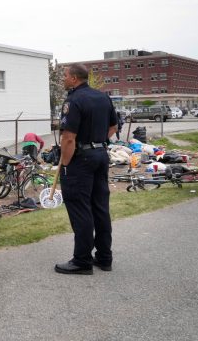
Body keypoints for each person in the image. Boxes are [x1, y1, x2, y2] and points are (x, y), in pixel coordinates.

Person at [55, 63, 117, 275]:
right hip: (100, 155)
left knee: (80, 208)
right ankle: (104, 257)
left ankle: (82, 261)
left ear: (73, 78)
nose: (63, 79)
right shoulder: (103, 97)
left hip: (81, 159)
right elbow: (113, 127)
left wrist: (65, 163)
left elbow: (69, 138)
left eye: (65, 76)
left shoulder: (73, 100)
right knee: (100, 207)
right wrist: (96, 142)